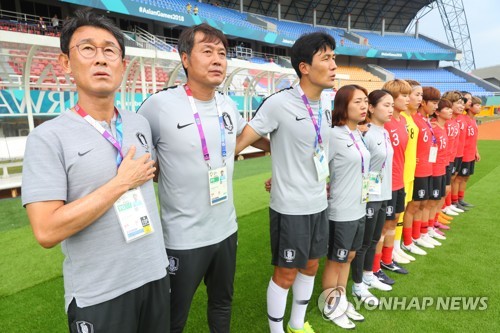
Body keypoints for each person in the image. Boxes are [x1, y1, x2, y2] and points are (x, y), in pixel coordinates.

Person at [21, 9, 169, 333]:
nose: (100, 59)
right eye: (87, 48)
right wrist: (121, 184)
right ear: (66, 63)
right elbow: (46, 231)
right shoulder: (47, 138)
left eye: (109, 50)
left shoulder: (138, 123)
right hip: (99, 294)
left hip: (155, 275)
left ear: (122, 65)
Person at [138, 23, 268, 333]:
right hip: (182, 239)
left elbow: (248, 137)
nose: (217, 60)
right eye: (207, 51)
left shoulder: (227, 104)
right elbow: (139, 161)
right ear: (185, 58)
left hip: (226, 230)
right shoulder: (158, 106)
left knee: (222, 304)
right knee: (172, 318)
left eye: (222, 53)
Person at [235, 31, 337, 333]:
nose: (333, 65)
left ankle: (296, 323)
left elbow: (318, 149)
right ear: (304, 67)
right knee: (286, 273)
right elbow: (242, 142)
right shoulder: (278, 103)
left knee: (311, 266)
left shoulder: (327, 105)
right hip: (290, 207)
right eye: (326, 58)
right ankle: (276, 330)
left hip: (319, 202)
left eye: (334, 58)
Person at [322, 85, 371, 329]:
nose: (364, 106)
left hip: (359, 208)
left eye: (365, 102)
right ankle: (330, 304)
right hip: (341, 211)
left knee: (350, 256)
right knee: (336, 259)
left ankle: (340, 299)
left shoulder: (357, 134)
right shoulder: (333, 134)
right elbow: (318, 169)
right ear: (343, 106)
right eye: (357, 102)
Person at [350, 89, 394, 307]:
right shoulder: (364, 134)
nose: (391, 109)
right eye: (386, 105)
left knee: (375, 238)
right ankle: (357, 284)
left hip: (384, 192)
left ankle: (368, 274)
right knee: (363, 242)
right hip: (369, 195)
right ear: (372, 108)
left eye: (392, 105)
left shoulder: (384, 132)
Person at [372, 79, 410, 287]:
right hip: (384, 184)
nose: (407, 98)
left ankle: (387, 260)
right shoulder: (384, 124)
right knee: (381, 228)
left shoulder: (402, 121)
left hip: (399, 181)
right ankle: (375, 268)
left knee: (393, 221)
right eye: (403, 95)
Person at [392, 79, 421, 264]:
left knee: (401, 213)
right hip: (399, 174)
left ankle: (396, 246)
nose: (418, 98)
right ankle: (393, 248)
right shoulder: (401, 119)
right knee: (396, 215)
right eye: (415, 94)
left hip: (409, 172)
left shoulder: (408, 118)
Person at [459, 96, 481, 204]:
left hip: (471, 154)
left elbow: (473, 138)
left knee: (466, 177)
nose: (480, 107)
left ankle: (460, 198)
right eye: (477, 105)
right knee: (460, 178)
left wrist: (476, 151)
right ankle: (456, 200)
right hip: (464, 154)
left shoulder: (473, 120)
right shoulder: (464, 120)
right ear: (470, 107)